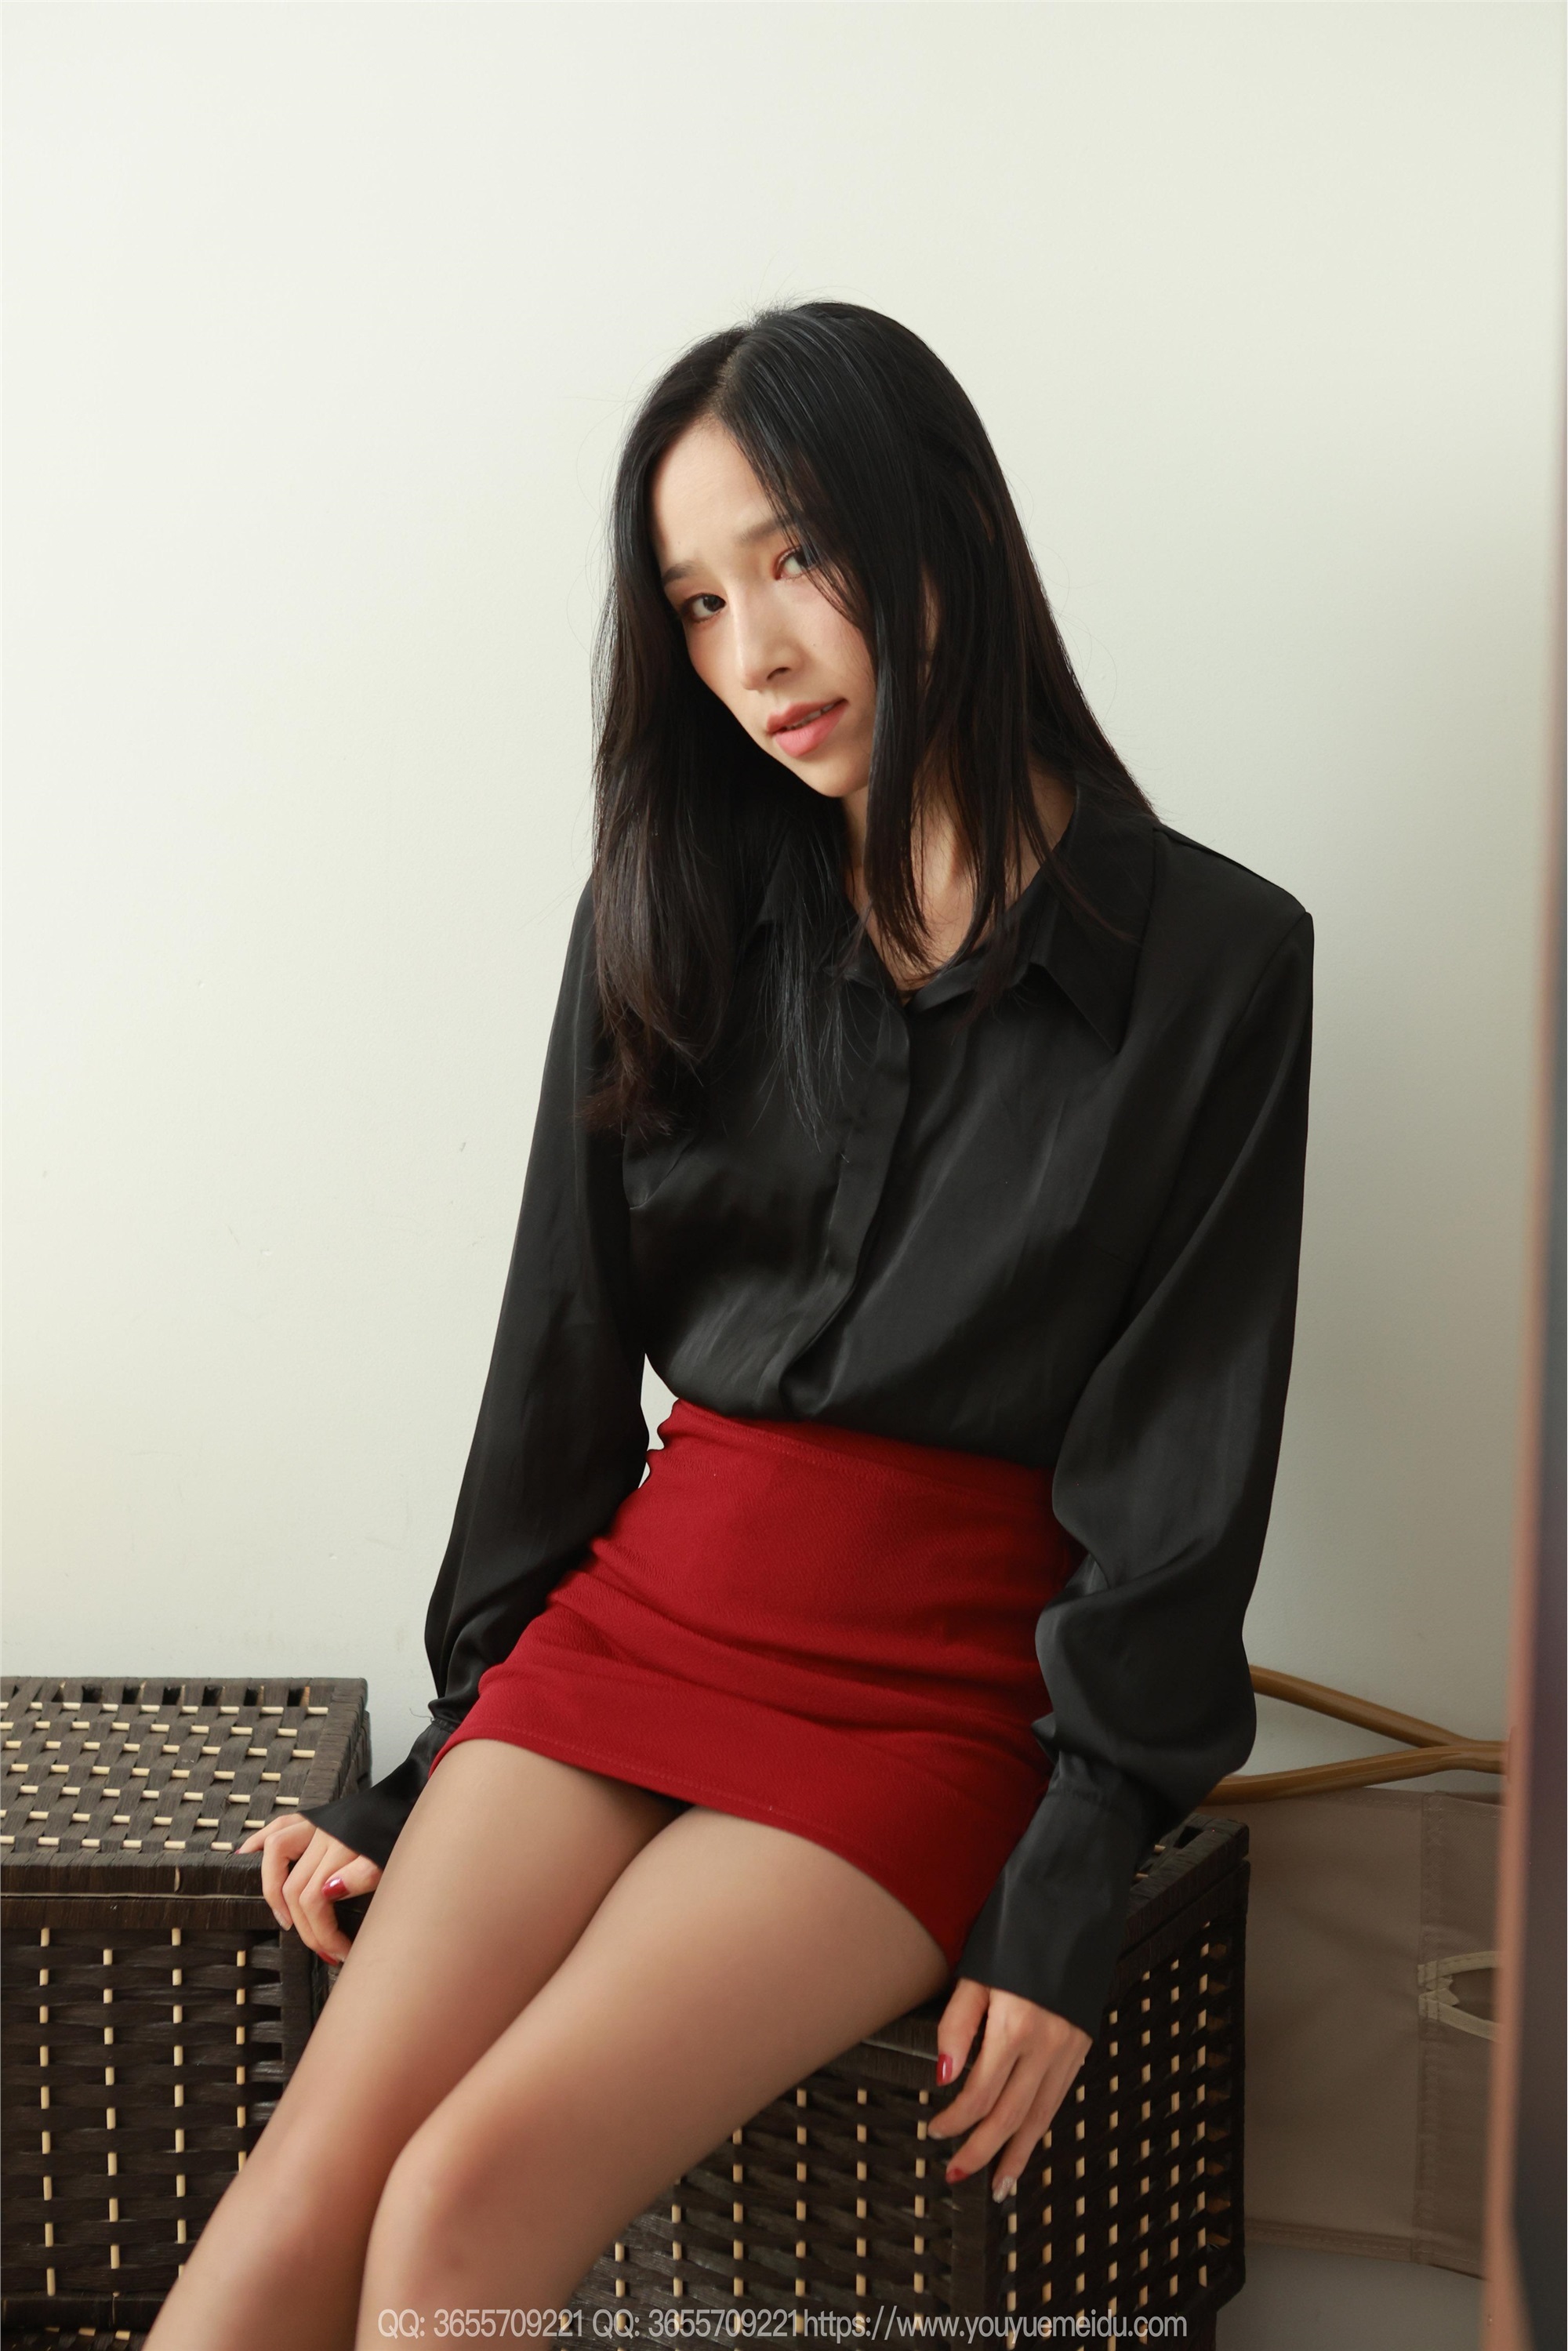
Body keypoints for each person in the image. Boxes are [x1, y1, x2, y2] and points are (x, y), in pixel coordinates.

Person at [143, 300, 1312, 2351]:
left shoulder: (1217, 962)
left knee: (460, 2212)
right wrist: (435, 1763)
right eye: (694, 601)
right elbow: (557, 1371)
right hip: (644, 1621)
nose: (752, 652)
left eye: (797, 559)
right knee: (302, 2192)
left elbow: (1182, 1485)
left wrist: (1067, 1881)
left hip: (933, 1696)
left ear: (947, 527)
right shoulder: (666, 905)